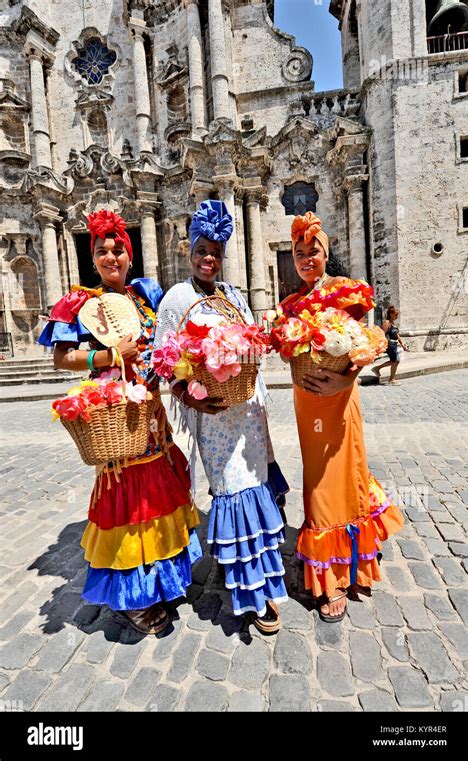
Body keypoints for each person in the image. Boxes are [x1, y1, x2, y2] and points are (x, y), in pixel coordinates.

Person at [38, 209, 202, 635]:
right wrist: (108, 356)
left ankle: (161, 581)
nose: (111, 257)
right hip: (115, 418)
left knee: (161, 494)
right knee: (130, 502)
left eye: (118, 250)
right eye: (102, 251)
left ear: (130, 257)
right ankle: (134, 598)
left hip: (152, 413)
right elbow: (60, 358)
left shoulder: (143, 297)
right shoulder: (80, 302)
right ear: (92, 258)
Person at [154, 200, 289, 633]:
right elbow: (164, 361)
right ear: (189, 252)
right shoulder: (177, 299)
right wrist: (190, 399)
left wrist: (253, 349)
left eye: (216, 252)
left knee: (256, 484)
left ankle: (264, 579)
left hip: (247, 409)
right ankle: (249, 589)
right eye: (201, 250)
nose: (209, 258)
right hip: (212, 417)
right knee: (233, 489)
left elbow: (250, 345)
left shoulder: (233, 295)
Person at [279, 212, 404, 623]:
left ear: (325, 253)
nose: (305, 258)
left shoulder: (345, 292)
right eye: (299, 253)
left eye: (312, 250)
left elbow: (367, 342)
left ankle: (352, 564)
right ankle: (329, 574)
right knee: (318, 483)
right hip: (308, 402)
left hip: (340, 397)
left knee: (348, 472)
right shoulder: (291, 305)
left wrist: (343, 381)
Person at [371, 305, 409, 385]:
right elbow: (382, 334)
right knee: (394, 361)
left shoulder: (393, 323)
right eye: (396, 314)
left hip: (395, 345)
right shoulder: (387, 322)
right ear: (391, 314)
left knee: (396, 361)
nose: (397, 316)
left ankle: (377, 368)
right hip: (390, 345)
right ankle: (392, 379)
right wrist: (382, 345)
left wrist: (403, 345)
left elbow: (397, 335)